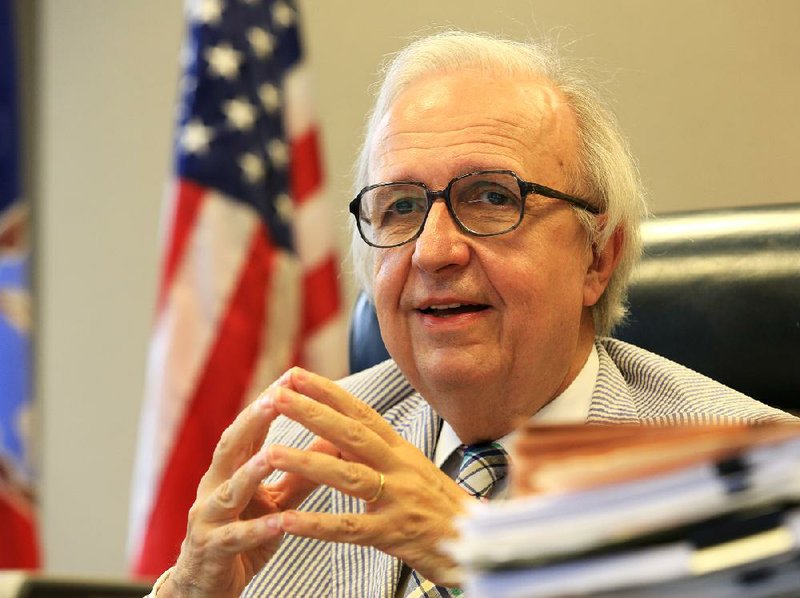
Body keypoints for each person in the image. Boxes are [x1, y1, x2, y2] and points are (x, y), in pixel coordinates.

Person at [151, 31, 795, 597]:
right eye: (400, 207)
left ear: (598, 258)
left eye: (492, 198)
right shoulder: (296, 452)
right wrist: (190, 591)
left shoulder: (760, 477)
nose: (433, 251)